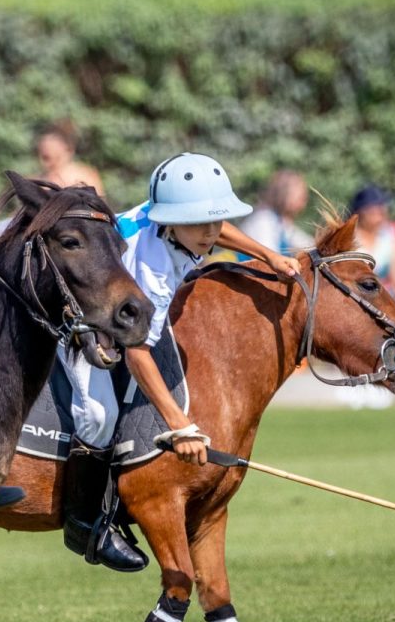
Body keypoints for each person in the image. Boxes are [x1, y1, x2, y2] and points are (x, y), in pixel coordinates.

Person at [61, 153, 301, 571]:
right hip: (76, 313)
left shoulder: (184, 223)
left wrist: (268, 256)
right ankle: (87, 524)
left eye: (213, 221)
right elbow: (136, 351)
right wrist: (180, 424)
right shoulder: (150, 266)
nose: (210, 233)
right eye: (199, 223)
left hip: (111, 304)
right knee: (99, 414)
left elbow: (218, 226)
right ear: (171, 220)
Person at [349, 185, 395, 313]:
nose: (380, 214)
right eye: (374, 210)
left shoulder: (393, 233)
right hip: (354, 299)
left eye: (382, 209)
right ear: (361, 212)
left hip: (386, 298)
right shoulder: (348, 236)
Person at [238, 169, 314, 255]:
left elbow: (307, 244)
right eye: (300, 195)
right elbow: (268, 256)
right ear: (282, 193)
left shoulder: (280, 222)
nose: (304, 199)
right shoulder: (264, 220)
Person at [36, 120, 106, 197]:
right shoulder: (39, 180)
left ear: (68, 150)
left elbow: (97, 205)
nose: (42, 163)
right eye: (42, 157)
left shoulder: (84, 177)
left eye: (48, 158)